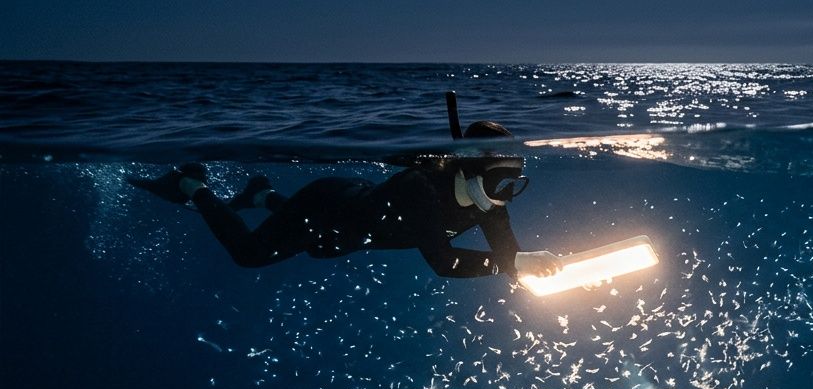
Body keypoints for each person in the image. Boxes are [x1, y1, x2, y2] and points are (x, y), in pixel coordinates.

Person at [126, 120, 562, 281]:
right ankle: (193, 184)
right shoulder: (421, 185)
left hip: (352, 232)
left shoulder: (490, 202)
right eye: (499, 182)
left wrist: (528, 262)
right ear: (468, 169)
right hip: (328, 205)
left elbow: (509, 256)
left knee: (323, 241)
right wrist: (511, 264)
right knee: (250, 254)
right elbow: (444, 262)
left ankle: (262, 195)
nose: (504, 197)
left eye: (514, 184)